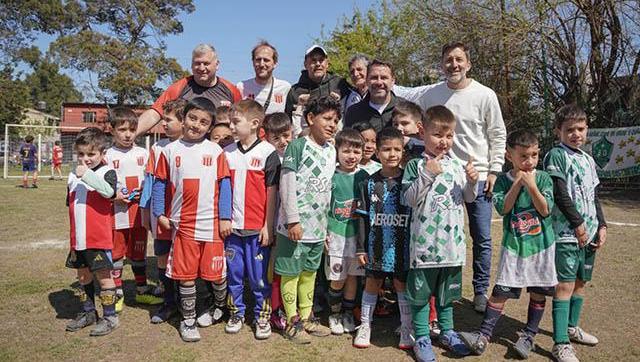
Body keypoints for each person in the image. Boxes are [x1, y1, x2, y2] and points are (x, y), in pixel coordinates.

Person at [394, 42, 507, 312]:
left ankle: (480, 291)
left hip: (475, 176)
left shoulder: (485, 94)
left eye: (459, 60)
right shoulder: (432, 93)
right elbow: (400, 98)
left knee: (481, 237)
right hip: (439, 176)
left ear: (468, 63)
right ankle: (434, 289)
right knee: (436, 232)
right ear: (441, 64)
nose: (453, 65)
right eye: (448, 60)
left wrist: (493, 170)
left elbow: (498, 134)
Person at [459, 129, 556, 360]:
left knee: (538, 292)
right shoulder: (502, 181)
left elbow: (545, 209)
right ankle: (483, 335)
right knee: (500, 291)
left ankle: (529, 336)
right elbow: (503, 209)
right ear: (508, 156)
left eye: (533, 155)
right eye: (523, 156)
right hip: (514, 247)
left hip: (541, 247)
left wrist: (531, 186)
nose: (529, 161)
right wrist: (518, 184)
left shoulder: (543, 178)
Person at [152, 97, 232, 342]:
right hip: (183, 225)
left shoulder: (215, 151)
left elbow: (225, 185)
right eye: (192, 118)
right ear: (184, 118)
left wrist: (225, 217)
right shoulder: (168, 150)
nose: (196, 125)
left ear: (210, 127)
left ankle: (219, 306)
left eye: (203, 122)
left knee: (216, 275)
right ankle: (188, 321)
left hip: (212, 224)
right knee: (186, 276)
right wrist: (160, 213)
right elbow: (160, 184)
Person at [402, 105, 478, 361]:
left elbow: (468, 198)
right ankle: (421, 337)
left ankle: (448, 332)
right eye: (438, 135)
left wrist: (472, 182)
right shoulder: (415, 165)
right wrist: (426, 175)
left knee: (447, 296)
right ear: (422, 132)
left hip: (452, 246)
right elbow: (409, 200)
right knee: (422, 295)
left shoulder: (457, 165)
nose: (444, 141)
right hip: (424, 248)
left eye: (449, 136)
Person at [274, 96, 340, 344]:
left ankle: (307, 315)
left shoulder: (332, 150)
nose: (332, 124)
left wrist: (326, 228)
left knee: (310, 273)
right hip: (295, 227)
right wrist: (292, 220)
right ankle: (292, 320)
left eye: (336, 120)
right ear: (311, 119)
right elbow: (287, 184)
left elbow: (329, 190)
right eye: (327, 118)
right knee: (290, 273)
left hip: (317, 227)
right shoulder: (297, 146)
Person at [543, 104, 606, 362]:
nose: (575, 134)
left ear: (587, 129)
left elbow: (594, 195)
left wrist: (601, 225)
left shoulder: (588, 159)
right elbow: (560, 193)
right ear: (558, 131)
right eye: (569, 130)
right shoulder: (556, 155)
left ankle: (571, 328)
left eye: (580, 129)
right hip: (567, 234)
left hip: (589, 234)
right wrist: (578, 223)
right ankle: (560, 344)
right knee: (565, 285)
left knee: (581, 282)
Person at [223, 100, 281, 340]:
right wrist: (224, 218)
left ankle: (262, 315)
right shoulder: (226, 153)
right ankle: (236, 312)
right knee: (234, 274)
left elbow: (272, 193)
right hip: (233, 229)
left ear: (255, 124)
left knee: (259, 278)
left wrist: (268, 226)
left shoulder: (268, 153)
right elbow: (222, 190)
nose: (230, 126)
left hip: (258, 230)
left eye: (236, 122)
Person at [353, 127, 413, 350]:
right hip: (375, 245)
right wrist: (361, 249)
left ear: (403, 152)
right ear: (377, 152)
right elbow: (360, 219)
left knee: (400, 285)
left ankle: (406, 328)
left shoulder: (408, 181)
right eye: (386, 149)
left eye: (397, 149)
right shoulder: (368, 183)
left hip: (402, 247)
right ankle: (366, 326)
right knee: (372, 283)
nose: (392, 154)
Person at [64, 127, 119, 336]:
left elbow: (109, 192)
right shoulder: (72, 175)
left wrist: (86, 174)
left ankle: (110, 316)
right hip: (77, 239)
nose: (85, 158)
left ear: (102, 154)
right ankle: (88, 312)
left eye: (91, 154)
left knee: (104, 277)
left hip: (97, 239)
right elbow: (71, 205)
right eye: (81, 154)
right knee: (82, 276)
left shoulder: (107, 172)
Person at [104, 107, 159, 312]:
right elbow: (101, 185)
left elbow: (150, 181)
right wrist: (114, 196)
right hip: (116, 214)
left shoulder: (143, 154)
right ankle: (117, 293)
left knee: (138, 253)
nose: (128, 134)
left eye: (132, 129)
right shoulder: (107, 156)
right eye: (122, 129)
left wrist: (145, 191)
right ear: (112, 130)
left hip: (138, 214)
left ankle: (142, 290)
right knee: (117, 254)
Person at [142, 99, 185, 324]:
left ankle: (188, 302)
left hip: (185, 217)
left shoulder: (195, 147)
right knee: (162, 257)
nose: (163, 124)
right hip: (161, 216)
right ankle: (168, 302)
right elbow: (149, 182)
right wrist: (146, 211)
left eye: (168, 119)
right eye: (163, 119)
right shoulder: (158, 148)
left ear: (183, 121)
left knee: (184, 259)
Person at [136, 44, 241, 135]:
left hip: (219, 151)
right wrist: (132, 134)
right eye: (197, 63)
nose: (201, 68)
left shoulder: (231, 90)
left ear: (217, 65)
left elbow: (242, 120)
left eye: (206, 63)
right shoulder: (179, 87)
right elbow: (155, 113)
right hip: (186, 149)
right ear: (191, 65)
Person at [325, 129, 368, 335]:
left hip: (357, 237)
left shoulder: (364, 176)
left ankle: (348, 313)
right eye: (346, 151)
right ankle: (334, 313)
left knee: (352, 277)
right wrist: (324, 231)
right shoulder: (330, 174)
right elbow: (324, 206)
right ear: (337, 151)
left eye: (356, 151)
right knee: (337, 277)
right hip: (336, 235)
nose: (352, 156)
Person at [262, 112, 293, 330]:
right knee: (275, 269)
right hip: (276, 223)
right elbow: (270, 196)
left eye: (286, 136)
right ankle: (274, 310)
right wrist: (269, 226)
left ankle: (289, 306)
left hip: (293, 222)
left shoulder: (298, 154)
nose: (283, 141)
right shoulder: (272, 160)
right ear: (268, 138)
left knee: (288, 267)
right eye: (277, 138)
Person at [285, 45, 351, 137]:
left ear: (327, 64)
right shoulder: (295, 91)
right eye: (313, 60)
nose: (318, 64)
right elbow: (288, 122)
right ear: (305, 64)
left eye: (321, 60)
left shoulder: (340, 84)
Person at [343, 59, 402, 132]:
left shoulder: (405, 108)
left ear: (392, 81)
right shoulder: (353, 112)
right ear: (367, 81)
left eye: (384, 78)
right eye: (374, 78)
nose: (379, 82)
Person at [237, 41, 291, 115]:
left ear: (275, 63)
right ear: (253, 62)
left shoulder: (285, 88)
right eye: (258, 60)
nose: (262, 64)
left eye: (266, 60)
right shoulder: (241, 87)